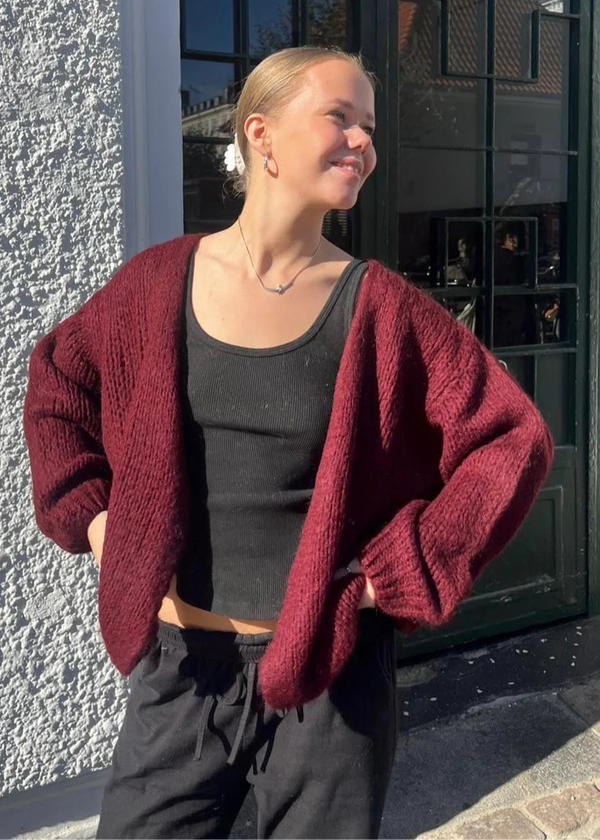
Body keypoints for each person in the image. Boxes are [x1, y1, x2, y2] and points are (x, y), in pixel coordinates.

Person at [23, 46, 554, 840]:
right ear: (262, 134)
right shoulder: (155, 285)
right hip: (180, 678)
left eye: (369, 127)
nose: (362, 142)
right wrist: (98, 525)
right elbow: (57, 384)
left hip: (329, 690)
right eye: (339, 117)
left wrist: (397, 573)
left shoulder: (385, 311)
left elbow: (513, 439)